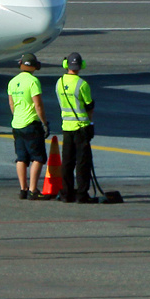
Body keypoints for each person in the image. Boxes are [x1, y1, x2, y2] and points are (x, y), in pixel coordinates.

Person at [56, 52, 96, 203]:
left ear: (66, 65)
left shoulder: (59, 83)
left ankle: (66, 193)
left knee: (67, 161)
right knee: (82, 162)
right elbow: (89, 106)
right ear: (81, 66)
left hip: (66, 126)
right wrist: (90, 123)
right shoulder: (82, 84)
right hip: (81, 127)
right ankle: (81, 193)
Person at [8, 53, 49, 199]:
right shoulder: (33, 81)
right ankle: (33, 190)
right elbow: (38, 104)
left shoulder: (12, 82)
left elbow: (11, 104)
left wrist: (17, 116)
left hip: (17, 124)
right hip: (31, 123)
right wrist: (44, 122)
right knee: (38, 157)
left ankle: (23, 189)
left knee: (21, 158)